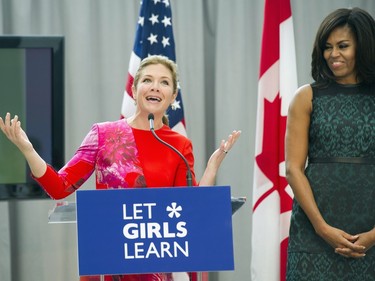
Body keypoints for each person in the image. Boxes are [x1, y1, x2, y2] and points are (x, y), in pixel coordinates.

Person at [0, 55, 241, 281]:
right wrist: (28, 150)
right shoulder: (103, 134)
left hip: (155, 268)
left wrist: (212, 167)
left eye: (164, 82)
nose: (155, 86)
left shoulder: (179, 145)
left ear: (173, 95)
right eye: (148, 80)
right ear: (135, 90)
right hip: (108, 262)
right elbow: (60, 187)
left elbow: (189, 213)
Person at [285, 7, 375, 281]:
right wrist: (323, 229)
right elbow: (293, 169)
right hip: (313, 234)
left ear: (364, 46)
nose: (333, 54)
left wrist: (373, 236)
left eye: (343, 46)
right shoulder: (306, 97)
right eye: (327, 47)